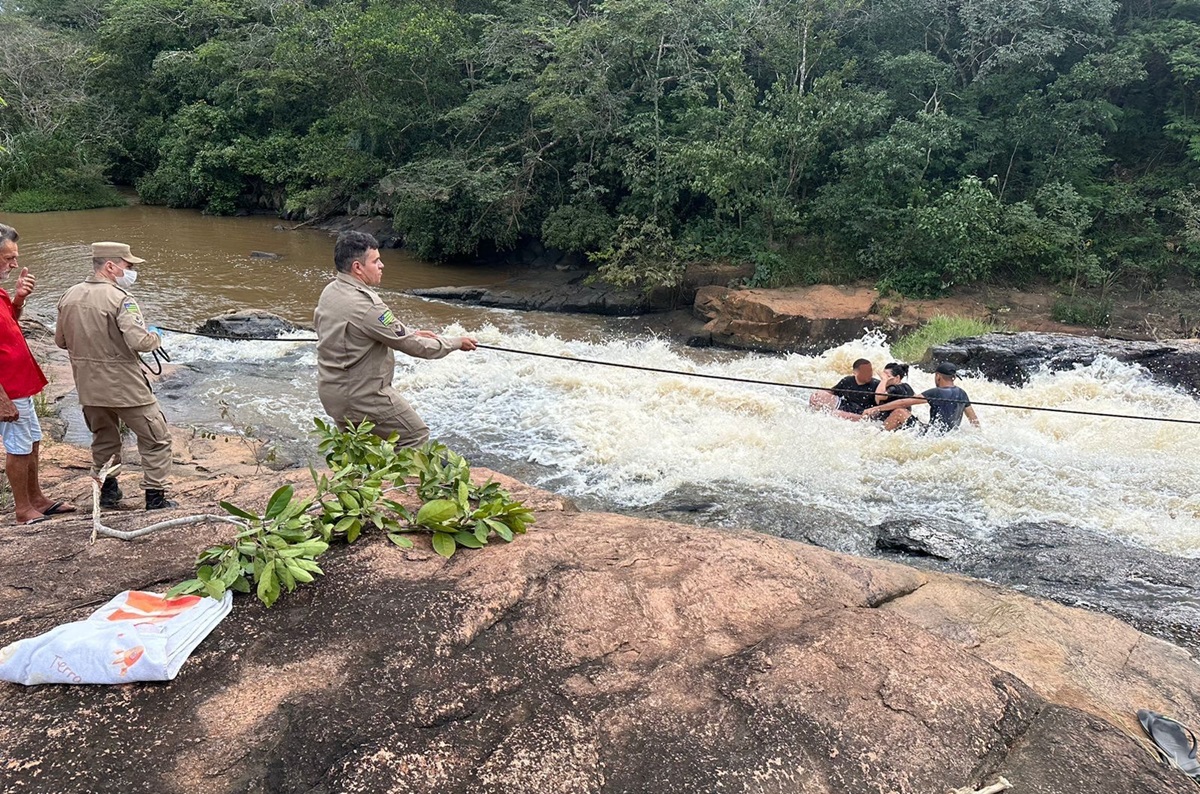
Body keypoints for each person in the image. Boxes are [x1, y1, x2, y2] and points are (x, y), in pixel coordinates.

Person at [314, 231, 477, 447]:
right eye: (376, 261)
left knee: (359, 448)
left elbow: (373, 330)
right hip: (363, 398)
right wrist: (457, 342)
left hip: (333, 394)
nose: (382, 266)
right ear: (357, 267)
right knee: (415, 436)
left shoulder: (330, 291)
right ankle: (406, 482)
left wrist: (412, 332)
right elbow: (416, 347)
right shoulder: (368, 306)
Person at [55, 242, 176, 510]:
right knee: (157, 439)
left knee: (104, 438)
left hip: (88, 387)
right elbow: (140, 342)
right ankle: (155, 498)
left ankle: (108, 491)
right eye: (128, 266)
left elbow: (61, 341)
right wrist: (156, 335)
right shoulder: (121, 299)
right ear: (111, 266)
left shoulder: (69, 296)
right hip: (125, 387)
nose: (131, 271)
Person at [0, 224, 76, 524]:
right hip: (8, 389)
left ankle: (37, 498)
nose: (14, 264)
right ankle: (23, 509)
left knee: (32, 440)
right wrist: (2, 398)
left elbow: (11, 324)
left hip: (21, 382)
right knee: (18, 447)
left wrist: (18, 299)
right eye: (7, 258)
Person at [863, 362, 981, 430]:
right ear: (953, 377)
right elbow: (974, 420)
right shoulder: (962, 393)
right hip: (947, 435)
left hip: (931, 435)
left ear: (938, 376)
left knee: (899, 412)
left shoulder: (936, 392)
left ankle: (878, 437)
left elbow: (903, 403)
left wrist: (876, 408)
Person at [808, 358, 879, 420]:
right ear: (855, 372)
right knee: (819, 396)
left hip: (862, 413)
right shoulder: (847, 381)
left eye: (870, 371)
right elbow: (832, 392)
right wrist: (816, 394)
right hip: (845, 406)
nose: (869, 374)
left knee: (836, 414)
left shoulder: (876, 384)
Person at [871, 361, 917, 432]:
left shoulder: (895, 388)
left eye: (888, 376)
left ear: (897, 378)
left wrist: (884, 380)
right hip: (901, 426)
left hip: (891, 426)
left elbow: (879, 396)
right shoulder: (907, 387)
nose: (885, 378)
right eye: (883, 375)